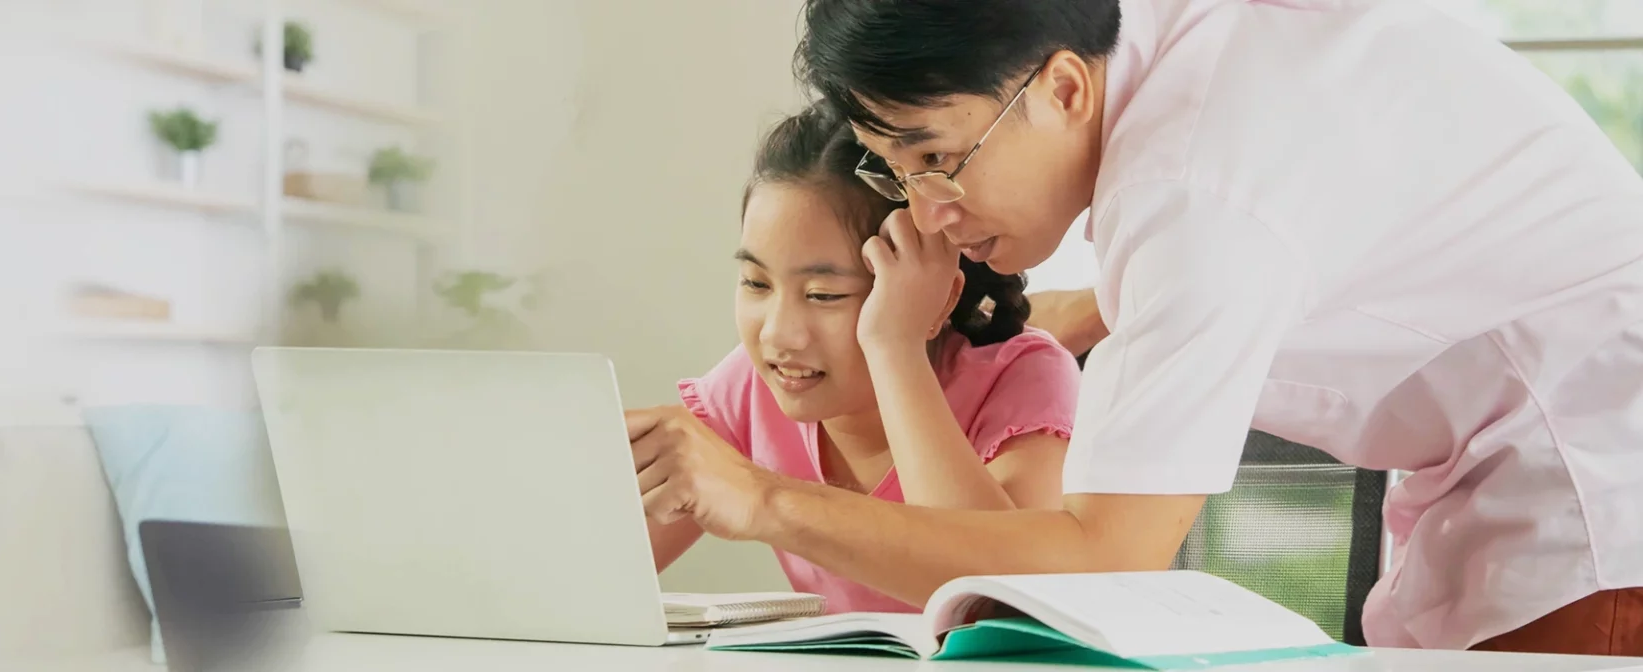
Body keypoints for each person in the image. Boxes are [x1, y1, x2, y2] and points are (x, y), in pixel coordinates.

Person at [631, 0, 1643, 656]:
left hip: (1594, 513)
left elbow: (1097, 571)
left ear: (1062, 88)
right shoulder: (1156, 48)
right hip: (1509, 490)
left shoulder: (1193, 198)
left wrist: (766, 501)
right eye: (892, 170)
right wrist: (1112, 308)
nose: (927, 208)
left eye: (935, 156)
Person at [644, 105, 1081, 614]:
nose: (779, 334)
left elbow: (996, 603)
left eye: (824, 294)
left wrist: (896, 346)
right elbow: (590, 576)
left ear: (937, 297)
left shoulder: (1022, 378)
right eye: (756, 283)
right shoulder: (748, 386)